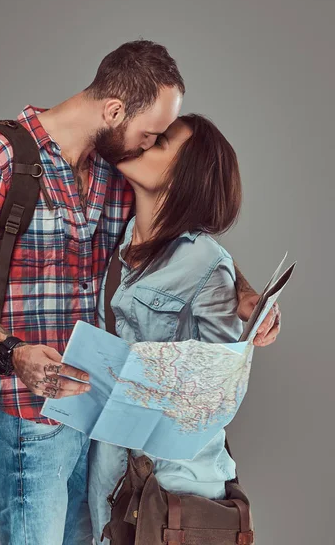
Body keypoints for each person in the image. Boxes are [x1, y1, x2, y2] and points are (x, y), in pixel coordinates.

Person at [0, 41, 281, 545]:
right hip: (28, 411)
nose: (147, 144)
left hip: (93, 420)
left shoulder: (113, 169)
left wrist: (244, 294)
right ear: (115, 111)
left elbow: (185, 229)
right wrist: (12, 353)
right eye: (151, 132)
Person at [88, 113, 270, 544]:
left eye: (161, 143)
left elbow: (217, 392)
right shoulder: (121, 244)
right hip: (113, 479)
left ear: (184, 175)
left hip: (175, 485)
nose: (146, 142)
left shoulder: (205, 262)